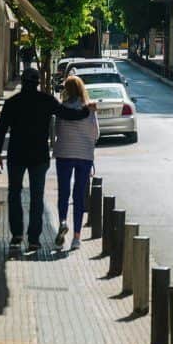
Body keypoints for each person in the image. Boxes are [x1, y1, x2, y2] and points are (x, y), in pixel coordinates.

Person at [0, 67, 95, 254]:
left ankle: (17, 235)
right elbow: (67, 114)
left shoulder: (12, 102)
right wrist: (86, 112)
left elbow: (1, 129)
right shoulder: (46, 100)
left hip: (16, 155)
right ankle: (34, 239)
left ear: (23, 81)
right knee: (36, 197)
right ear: (38, 82)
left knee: (14, 194)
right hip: (39, 156)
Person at [53, 75, 99, 251]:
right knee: (79, 195)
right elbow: (95, 134)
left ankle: (63, 222)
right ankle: (76, 238)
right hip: (84, 156)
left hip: (64, 153)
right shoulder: (89, 109)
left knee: (63, 192)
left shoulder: (62, 109)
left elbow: (57, 130)